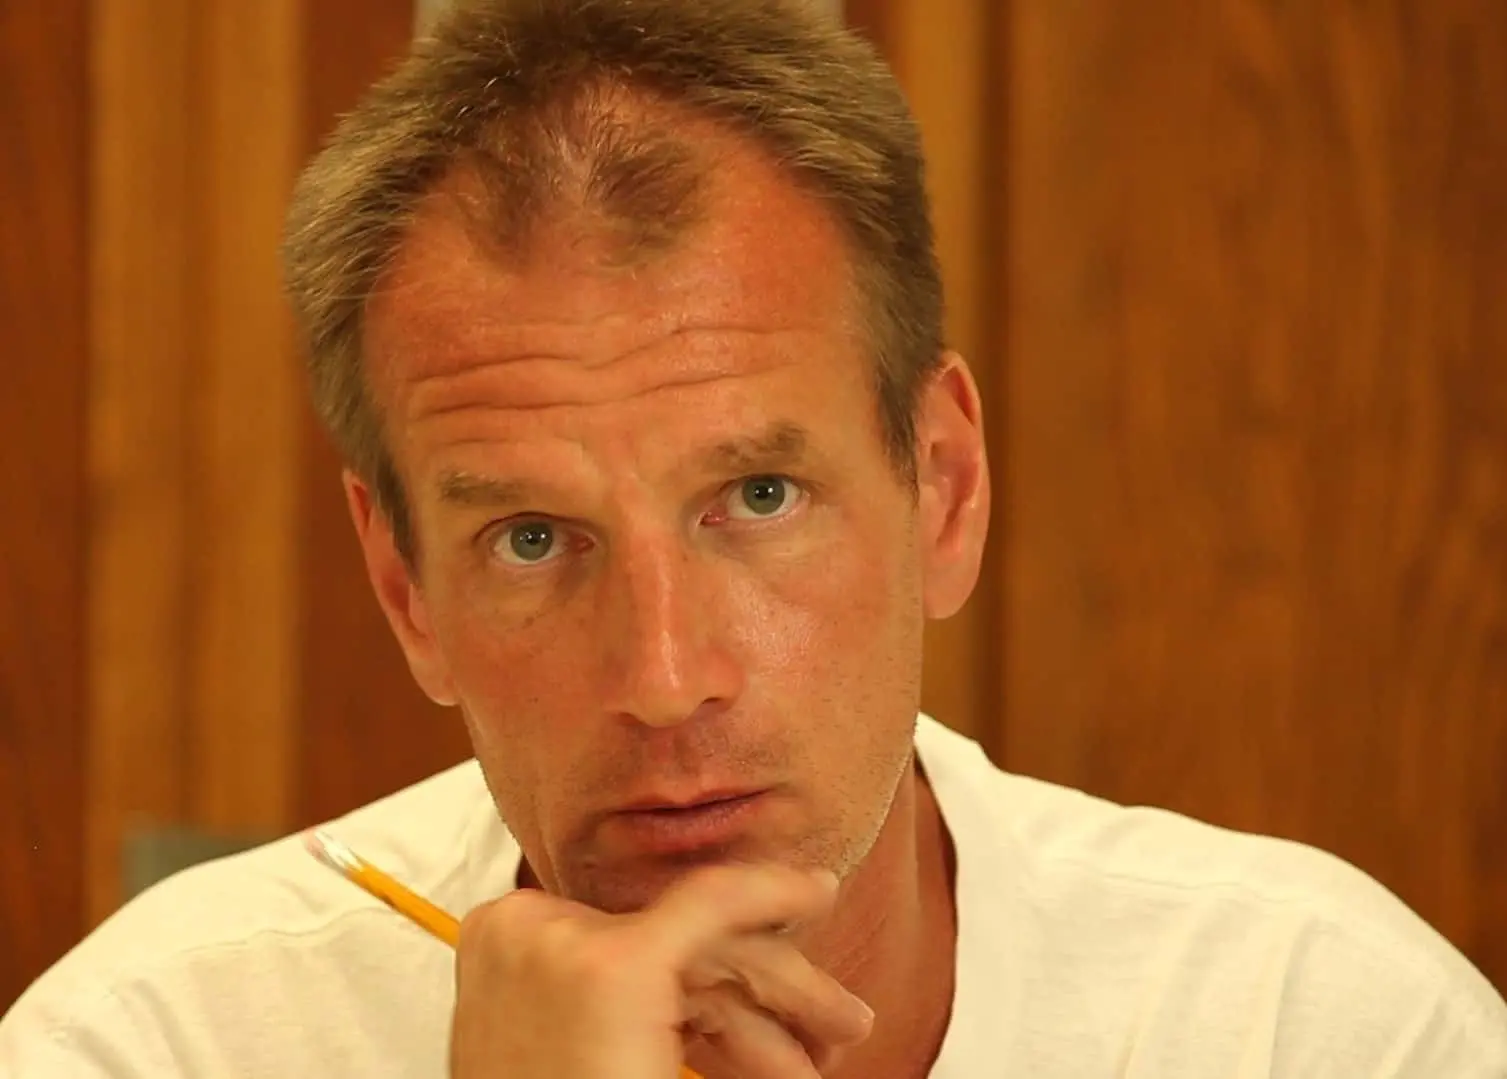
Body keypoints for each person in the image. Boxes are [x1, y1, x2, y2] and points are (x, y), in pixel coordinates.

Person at [4, 0, 1506, 1075]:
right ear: (405, 590)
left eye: (758, 500)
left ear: (944, 487)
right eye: (532, 537)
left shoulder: (1315, 1024)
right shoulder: (152, 1044)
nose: (663, 678)